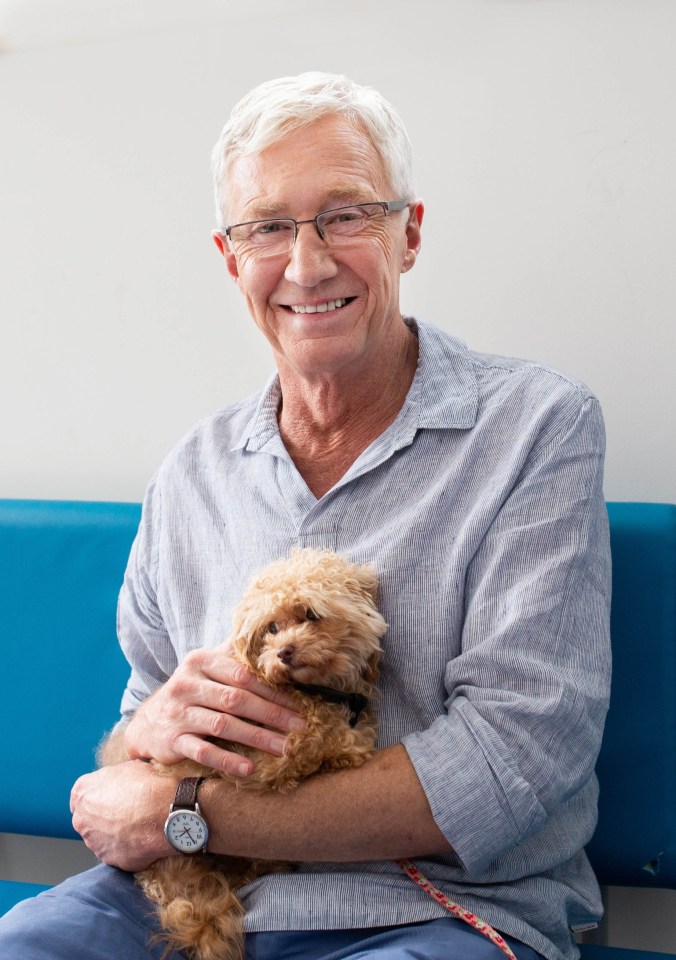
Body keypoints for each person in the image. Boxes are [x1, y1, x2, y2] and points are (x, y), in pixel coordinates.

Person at [0, 72, 611, 960]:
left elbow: (510, 763)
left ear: (410, 233)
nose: (308, 262)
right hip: (187, 901)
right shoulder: (190, 474)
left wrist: (190, 816)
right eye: (269, 227)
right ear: (230, 256)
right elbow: (128, 755)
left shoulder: (536, 428)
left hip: (434, 910)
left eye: (346, 214)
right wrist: (142, 739)